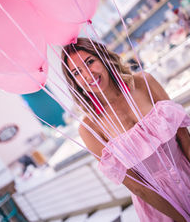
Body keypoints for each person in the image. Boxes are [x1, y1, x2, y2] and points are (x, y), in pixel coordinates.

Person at [61, 37, 190, 222]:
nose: (88, 75)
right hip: (161, 206)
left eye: (90, 62)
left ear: (103, 58)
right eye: (77, 72)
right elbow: (138, 187)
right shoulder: (89, 128)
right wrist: (181, 219)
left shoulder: (144, 82)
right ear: (74, 82)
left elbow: (184, 137)